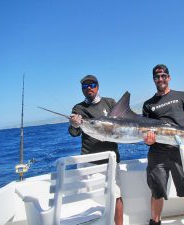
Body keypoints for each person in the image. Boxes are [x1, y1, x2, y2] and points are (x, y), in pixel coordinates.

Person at [143, 64, 184, 225]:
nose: (160, 79)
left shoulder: (181, 96)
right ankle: (155, 222)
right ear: (153, 80)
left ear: (169, 77)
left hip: (180, 151)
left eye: (163, 76)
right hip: (157, 153)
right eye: (157, 77)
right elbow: (145, 132)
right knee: (157, 191)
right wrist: (147, 141)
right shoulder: (148, 104)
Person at [68, 75, 123, 225]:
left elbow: (123, 123)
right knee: (94, 200)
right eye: (85, 87)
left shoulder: (110, 102)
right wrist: (74, 124)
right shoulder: (78, 109)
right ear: (82, 90)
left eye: (91, 85)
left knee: (116, 196)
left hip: (111, 160)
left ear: (97, 86)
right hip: (89, 162)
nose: (89, 89)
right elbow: (74, 133)